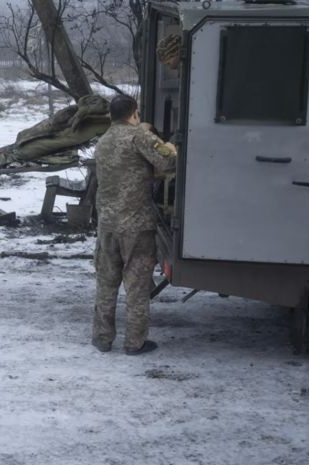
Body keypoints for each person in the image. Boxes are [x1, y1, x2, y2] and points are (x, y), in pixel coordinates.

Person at [91, 94, 177, 355]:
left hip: (107, 224)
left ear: (111, 115)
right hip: (136, 226)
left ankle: (102, 338)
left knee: (106, 283)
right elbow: (168, 162)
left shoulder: (103, 141)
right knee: (137, 285)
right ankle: (134, 342)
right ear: (134, 114)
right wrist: (171, 145)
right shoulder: (138, 135)